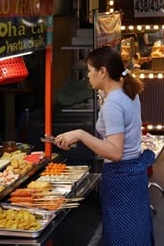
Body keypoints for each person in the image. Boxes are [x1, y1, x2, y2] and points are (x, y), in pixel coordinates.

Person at [54, 47, 154, 246]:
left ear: (103, 72)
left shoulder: (114, 104)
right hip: (134, 175)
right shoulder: (129, 93)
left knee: (122, 236)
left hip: (121, 178)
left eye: (90, 70)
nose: (88, 76)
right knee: (136, 232)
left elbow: (115, 152)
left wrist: (80, 135)